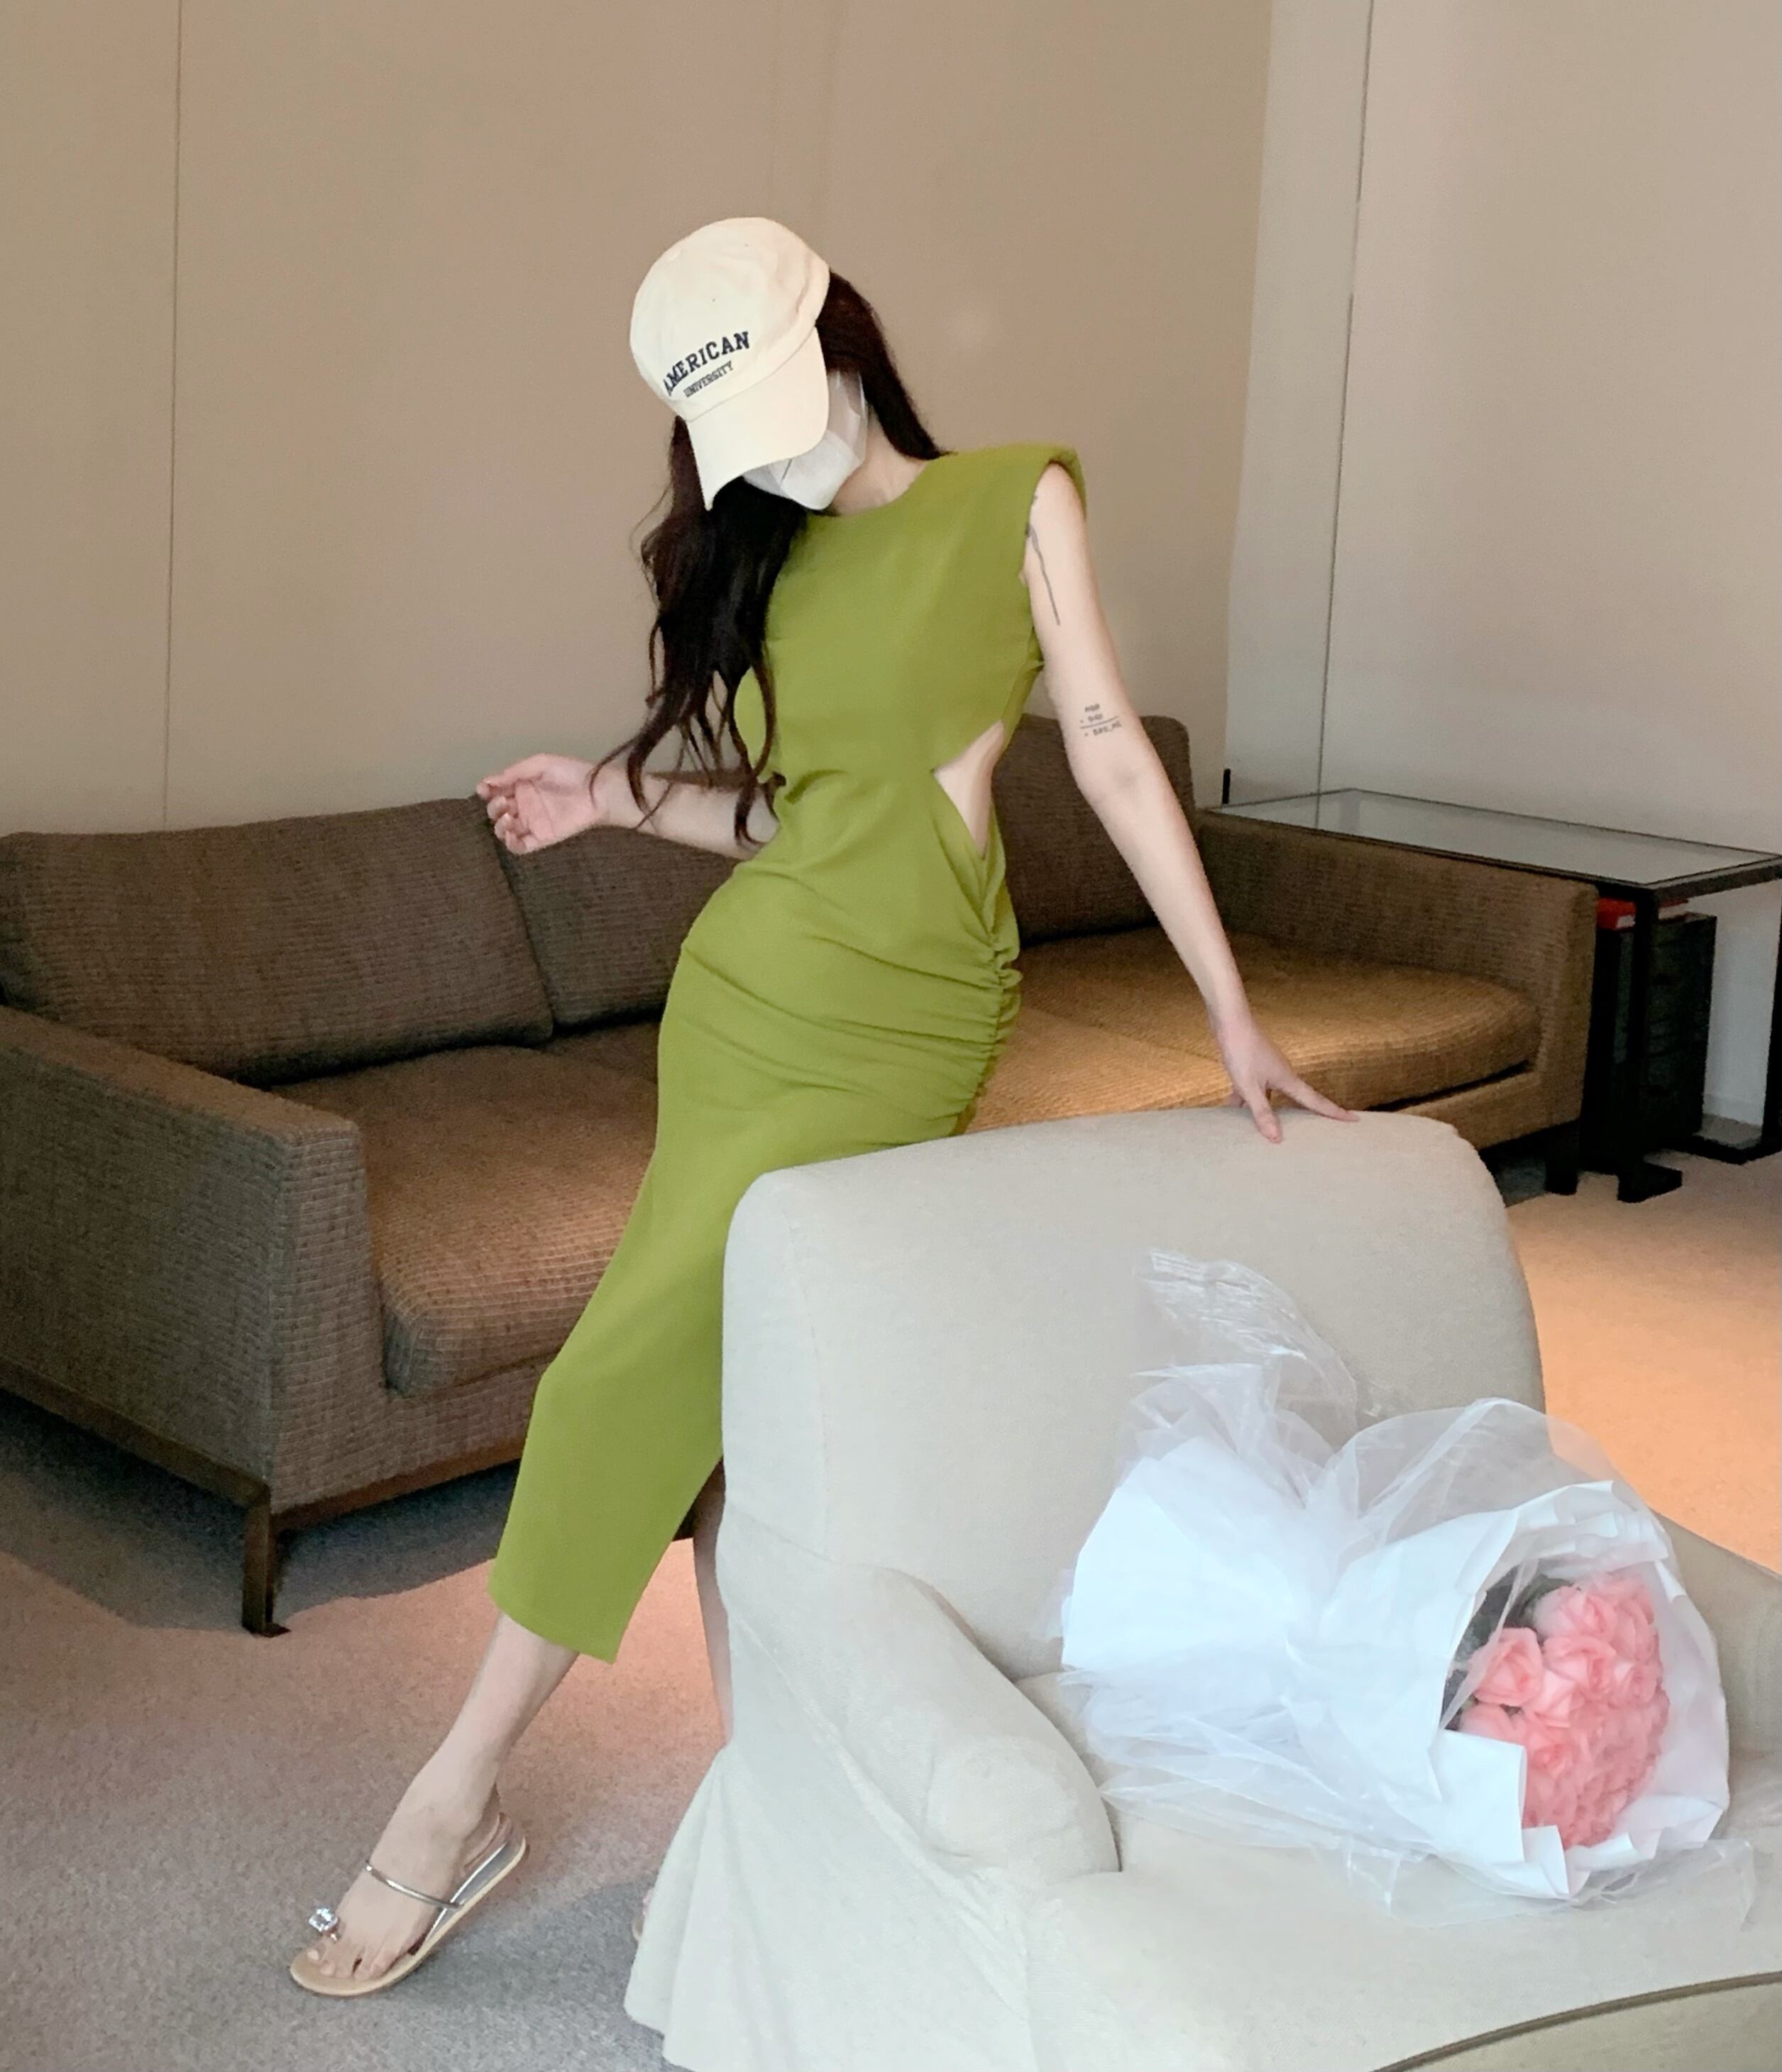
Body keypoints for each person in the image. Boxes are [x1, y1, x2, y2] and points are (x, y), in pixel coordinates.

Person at [290, 216, 1350, 1996]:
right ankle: (745, 1786)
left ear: (840, 350)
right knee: (728, 1392)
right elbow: (800, 815)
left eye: (775, 418)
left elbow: (1103, 752)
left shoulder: (1013, 498)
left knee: (631, 1369)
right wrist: (611, 795)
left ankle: (455, 1791)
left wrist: (1227, 1010)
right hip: (749, 1000)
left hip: (907, 1009)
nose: (763, 467)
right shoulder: (772, 563)